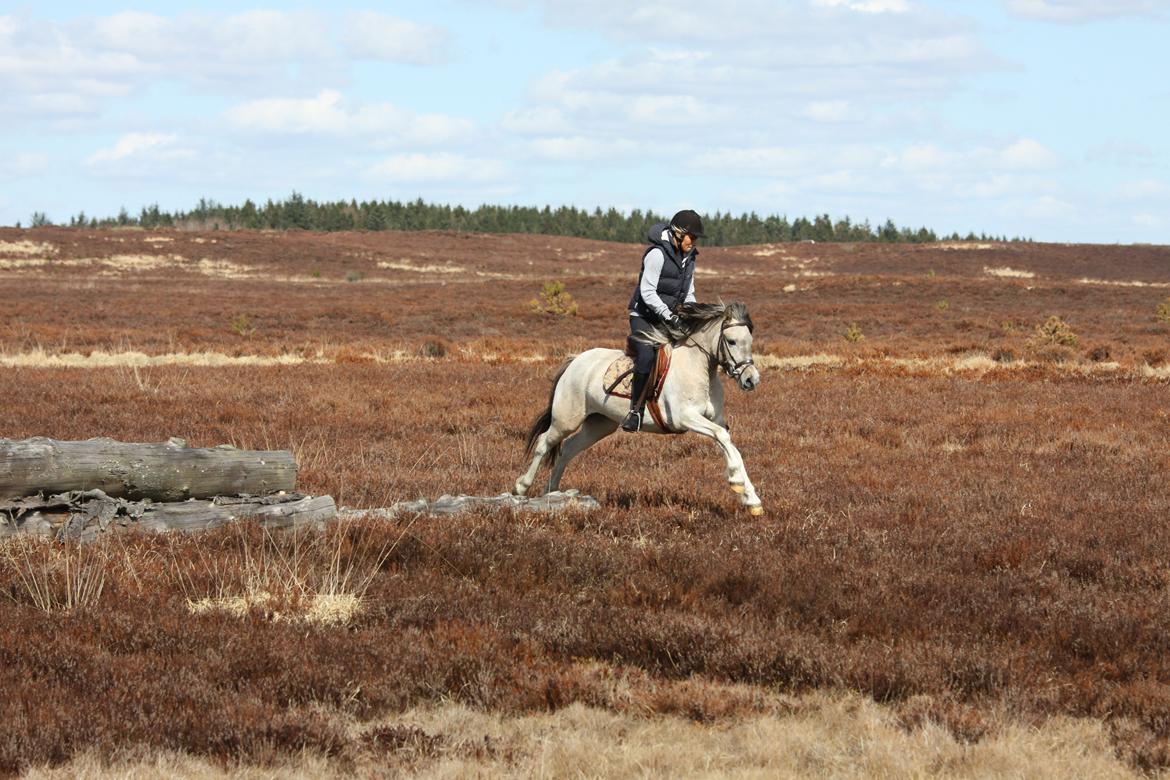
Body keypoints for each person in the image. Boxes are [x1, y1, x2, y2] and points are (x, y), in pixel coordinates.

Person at [622, 209, 704, 433]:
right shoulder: (657, 255)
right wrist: (670, 316)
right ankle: (635, 412)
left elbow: (689, 293)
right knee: (648, 354)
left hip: (668, 318)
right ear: (678, 234)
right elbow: (647, 293)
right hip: (644, 317)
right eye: (692, 237)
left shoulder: (689, 258)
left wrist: (693, 315)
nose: (694, 242)